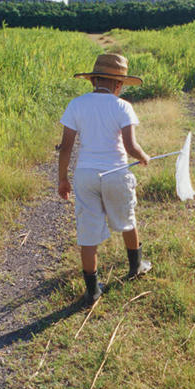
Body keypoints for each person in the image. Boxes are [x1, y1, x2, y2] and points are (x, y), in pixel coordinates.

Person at [57, 53, 153, 303]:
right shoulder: (122, 106)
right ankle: (136, 267)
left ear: (93, 81)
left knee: (87, 233)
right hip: (116, 173)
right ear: (119, 84)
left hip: (86, 175)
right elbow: (130, 146)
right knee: (127, 220)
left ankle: (92, 290)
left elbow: (66, 147)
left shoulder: (76, 104)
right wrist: (143, 156)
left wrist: (62, 179)